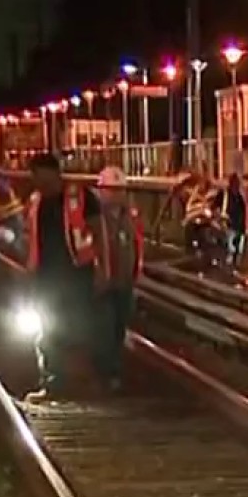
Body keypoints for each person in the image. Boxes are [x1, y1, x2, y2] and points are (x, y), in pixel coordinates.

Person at [22, 152, 100, 397]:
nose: (38, 183)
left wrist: (102, 269)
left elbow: (98, 232)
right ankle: (53, 381)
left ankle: (82, 380)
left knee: (79, 328)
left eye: (41, 177)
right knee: (48, 330)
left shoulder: (81, 197)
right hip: (46, 279)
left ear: (55, 173)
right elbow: (30, 237)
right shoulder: (35, 202)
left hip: (77, 274)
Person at [91, 167, 143, 393]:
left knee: (119, 328)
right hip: (103, 284)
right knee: (105, 328)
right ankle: (106, 373)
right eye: (111, 190)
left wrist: (135, 273)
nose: (116, 195)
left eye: (120, 190)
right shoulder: (94, 218)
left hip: (124, 282)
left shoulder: (129, 217)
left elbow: (136, 245)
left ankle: (112, 370)